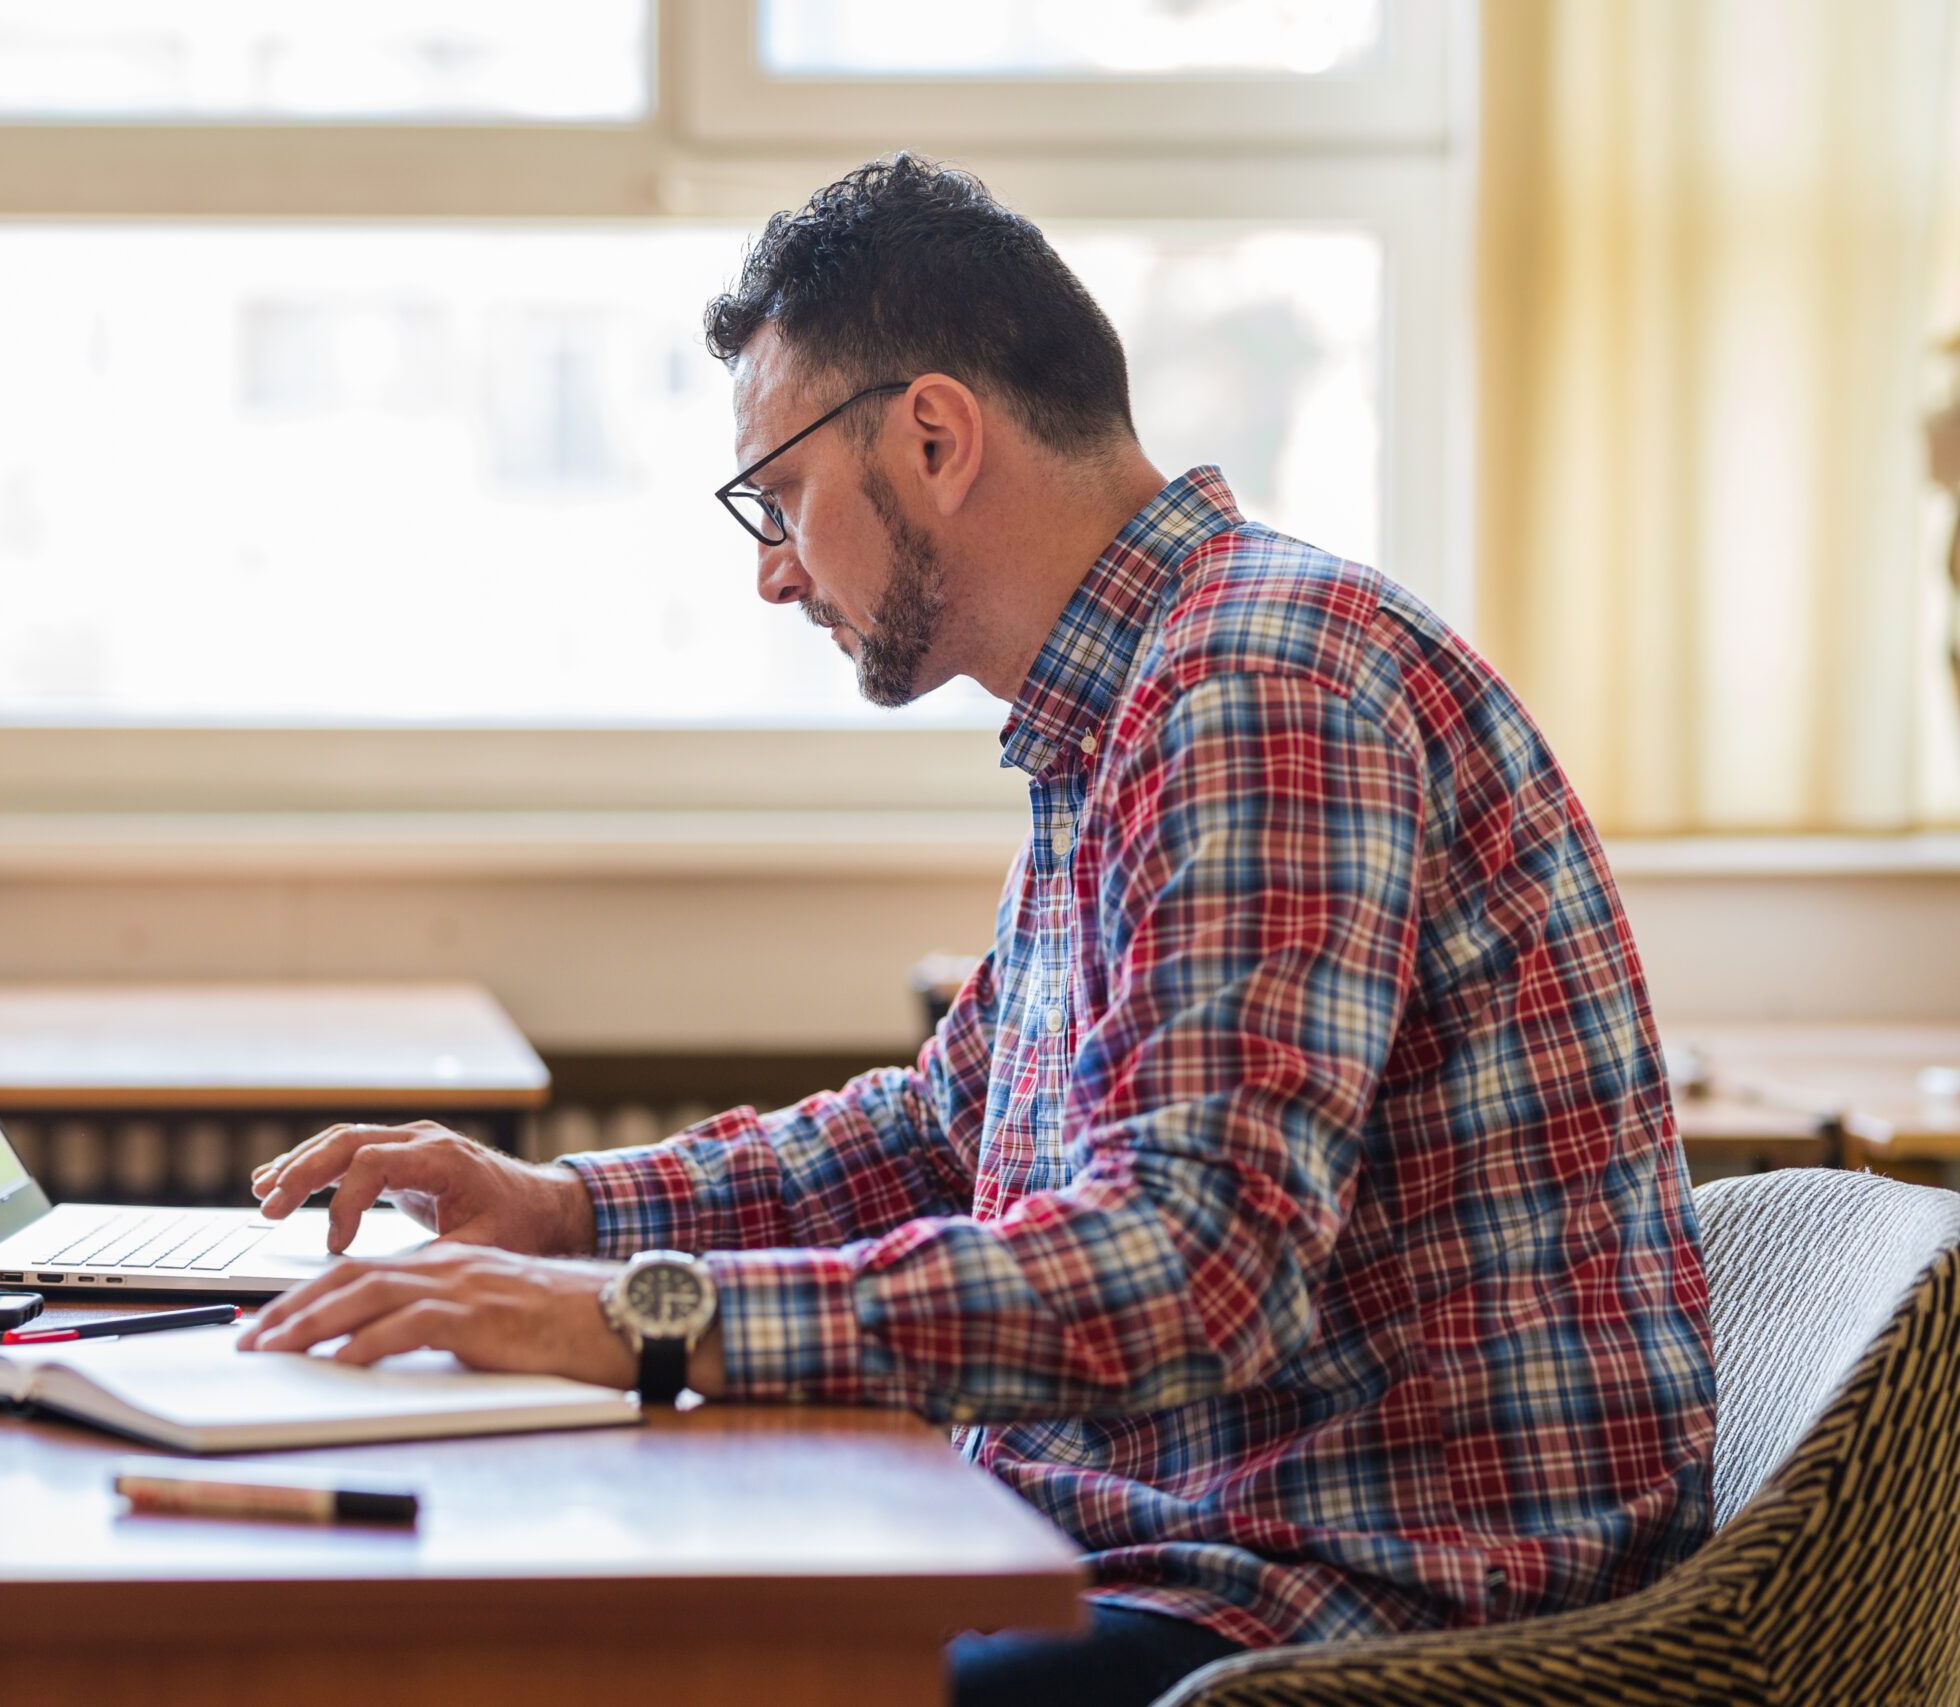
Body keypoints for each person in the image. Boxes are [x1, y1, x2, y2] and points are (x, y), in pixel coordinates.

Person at [239, 154, 1716, 1707]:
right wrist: (564, 1214)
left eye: (780, 494)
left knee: (621, 1660)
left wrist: (640, 1319)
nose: (772, 571)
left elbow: (1193, 1268)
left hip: (1355, 1606)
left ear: (934, 437)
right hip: (1185, 1542)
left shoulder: (1257, 688)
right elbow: (942, 1133)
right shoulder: (1139, 701)